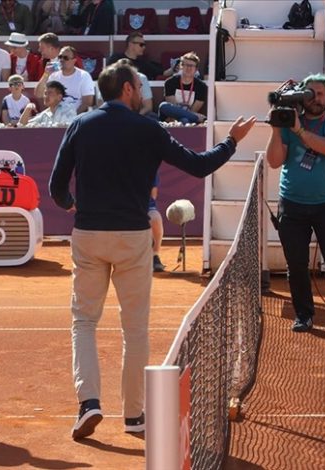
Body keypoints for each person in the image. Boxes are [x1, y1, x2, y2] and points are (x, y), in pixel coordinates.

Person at [49, 62, 256, 440]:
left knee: (84, 322)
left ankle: (89, 403)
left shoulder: (81, 125)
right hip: (133, 237)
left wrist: (73, 206)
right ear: (127, 89)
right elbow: (198, 166)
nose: (144, 92)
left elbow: (56, 187)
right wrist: (233, 140)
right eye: (140, 86)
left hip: (90, 235)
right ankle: (134, 417)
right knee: (135, 330)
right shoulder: (148, 128)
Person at [263, 74, 325, 337]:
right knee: (296, 265)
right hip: (292, 206)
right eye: (310, 93)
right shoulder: (288, 123)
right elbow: (274, 161)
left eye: (320, 94)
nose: (315, 98)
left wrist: (298, 130)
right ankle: (304, 315)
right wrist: (276, 127)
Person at [34, 45, 93, 114]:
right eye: (60, 57)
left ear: (74, 60)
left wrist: (72, 117)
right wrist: (46, 74)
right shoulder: (53, 75)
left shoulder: (83, 76)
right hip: (55, 117)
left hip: (76, 116)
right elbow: (38, 94)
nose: (61, 60)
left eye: (66, 58)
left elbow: (87, 102)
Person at [158, 52, 208, 124]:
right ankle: (198, 118)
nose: (188, 68)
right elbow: (173, 108)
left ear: (196, 69)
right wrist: (196, 116)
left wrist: (190, 115)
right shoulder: (170, 82)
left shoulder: (201, 86)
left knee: (185, 120)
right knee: (163, 106)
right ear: (181, 66)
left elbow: (194, 110)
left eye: (191, 66)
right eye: (186, 65)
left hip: (187, 119)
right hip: (169, 117)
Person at [149, 174, 165, 272]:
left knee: (155, 218)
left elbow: (153, 195)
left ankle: (154, 256)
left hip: (144, 206)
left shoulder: (149, 168)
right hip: (123, 208)